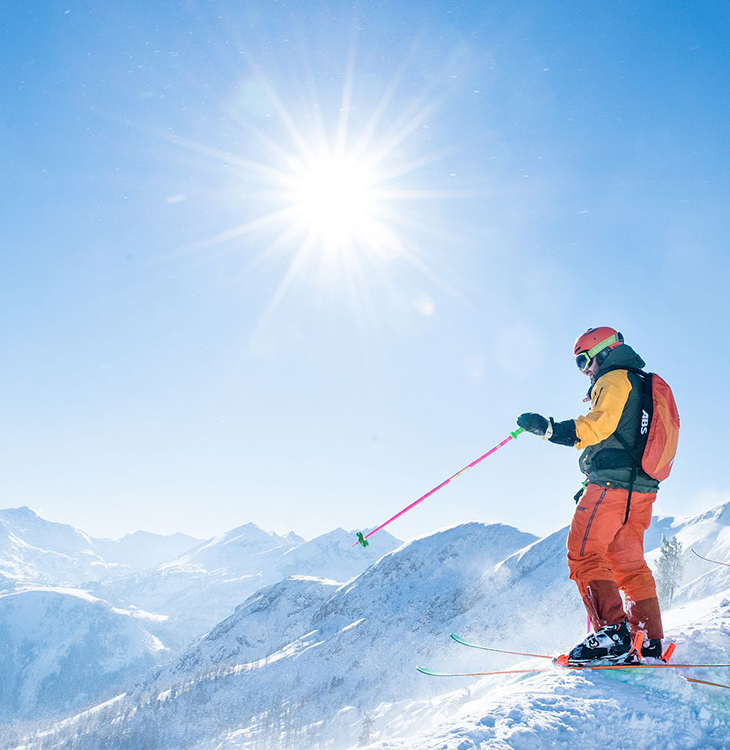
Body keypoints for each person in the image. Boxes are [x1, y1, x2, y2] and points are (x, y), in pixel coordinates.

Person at [517, 327, 664, 664]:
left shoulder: (614, 380)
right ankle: (649, 639)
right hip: (640, 490)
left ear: (605, 352)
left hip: (611, 487)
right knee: (628, 564)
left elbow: (597, 426)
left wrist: (550, 430)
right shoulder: (641, 383)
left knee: (583, 554)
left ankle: (611, 635)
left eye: (584, 360)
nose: (584, 370)